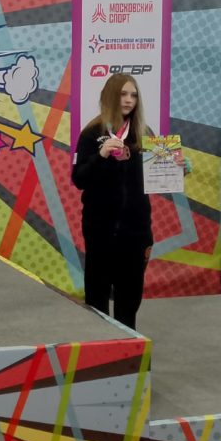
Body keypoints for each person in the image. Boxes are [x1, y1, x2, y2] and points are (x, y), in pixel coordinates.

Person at [71, 73, 153, 329]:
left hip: (135, 232)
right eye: (123, 94)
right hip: (100, 231)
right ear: (110, 96)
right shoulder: (91, 133)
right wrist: (101, 155)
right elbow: (79, 179)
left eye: (134, 95)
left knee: (130, 298)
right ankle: (99, 347)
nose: (129, 100)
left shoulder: (144, 133)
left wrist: (177, 168)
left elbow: (155, 178)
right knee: (97, 297)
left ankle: (129, 346)